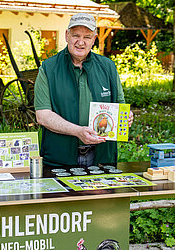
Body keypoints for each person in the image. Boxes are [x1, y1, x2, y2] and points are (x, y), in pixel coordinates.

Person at [34, 13, 133, 167]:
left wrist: (126, 117)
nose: (81, 42)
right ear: (67, 36)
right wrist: (77, 131)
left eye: (87, 37)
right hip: (60, 157)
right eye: (76, 35)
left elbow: (120, 105)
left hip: (101, 157)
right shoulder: (48, 68)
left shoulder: (108, 67)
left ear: (94, 39)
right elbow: (43, 116)